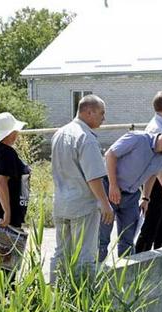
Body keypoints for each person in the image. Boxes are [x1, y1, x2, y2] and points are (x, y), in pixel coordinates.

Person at [99, 126, 162, 262]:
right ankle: (96, 276)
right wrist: (113, 185)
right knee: (102, 239)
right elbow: (110, 154)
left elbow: (152, 174)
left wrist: (145, 198)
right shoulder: (137, 139)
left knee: (128, 240)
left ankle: (126, 277)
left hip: (131, 196)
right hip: (109, 190)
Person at [50, 95, 114, 282]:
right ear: (89, 112)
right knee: (85, 255)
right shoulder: (86, 138)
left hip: (61, 202)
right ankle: (83, 298)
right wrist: (105, 203)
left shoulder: (59, 133)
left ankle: (56, 292)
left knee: (61, 252)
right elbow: (93, 176)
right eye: (101, 113)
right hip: (82, 205)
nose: (104, 118)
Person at [0, 112, 31, 285]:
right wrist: (7, 212)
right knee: (10, 252)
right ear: (8, 133)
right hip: (6, 208)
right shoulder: (7, 153)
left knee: (6, 250)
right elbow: (1, 181)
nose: (17, 134)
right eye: (15, 131)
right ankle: (2, 289)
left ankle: (1, 287)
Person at [135, 91, 162, 253]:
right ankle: (141, 259)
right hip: (156, 183)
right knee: (152, 224)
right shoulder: (156, 128)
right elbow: (156, 162)